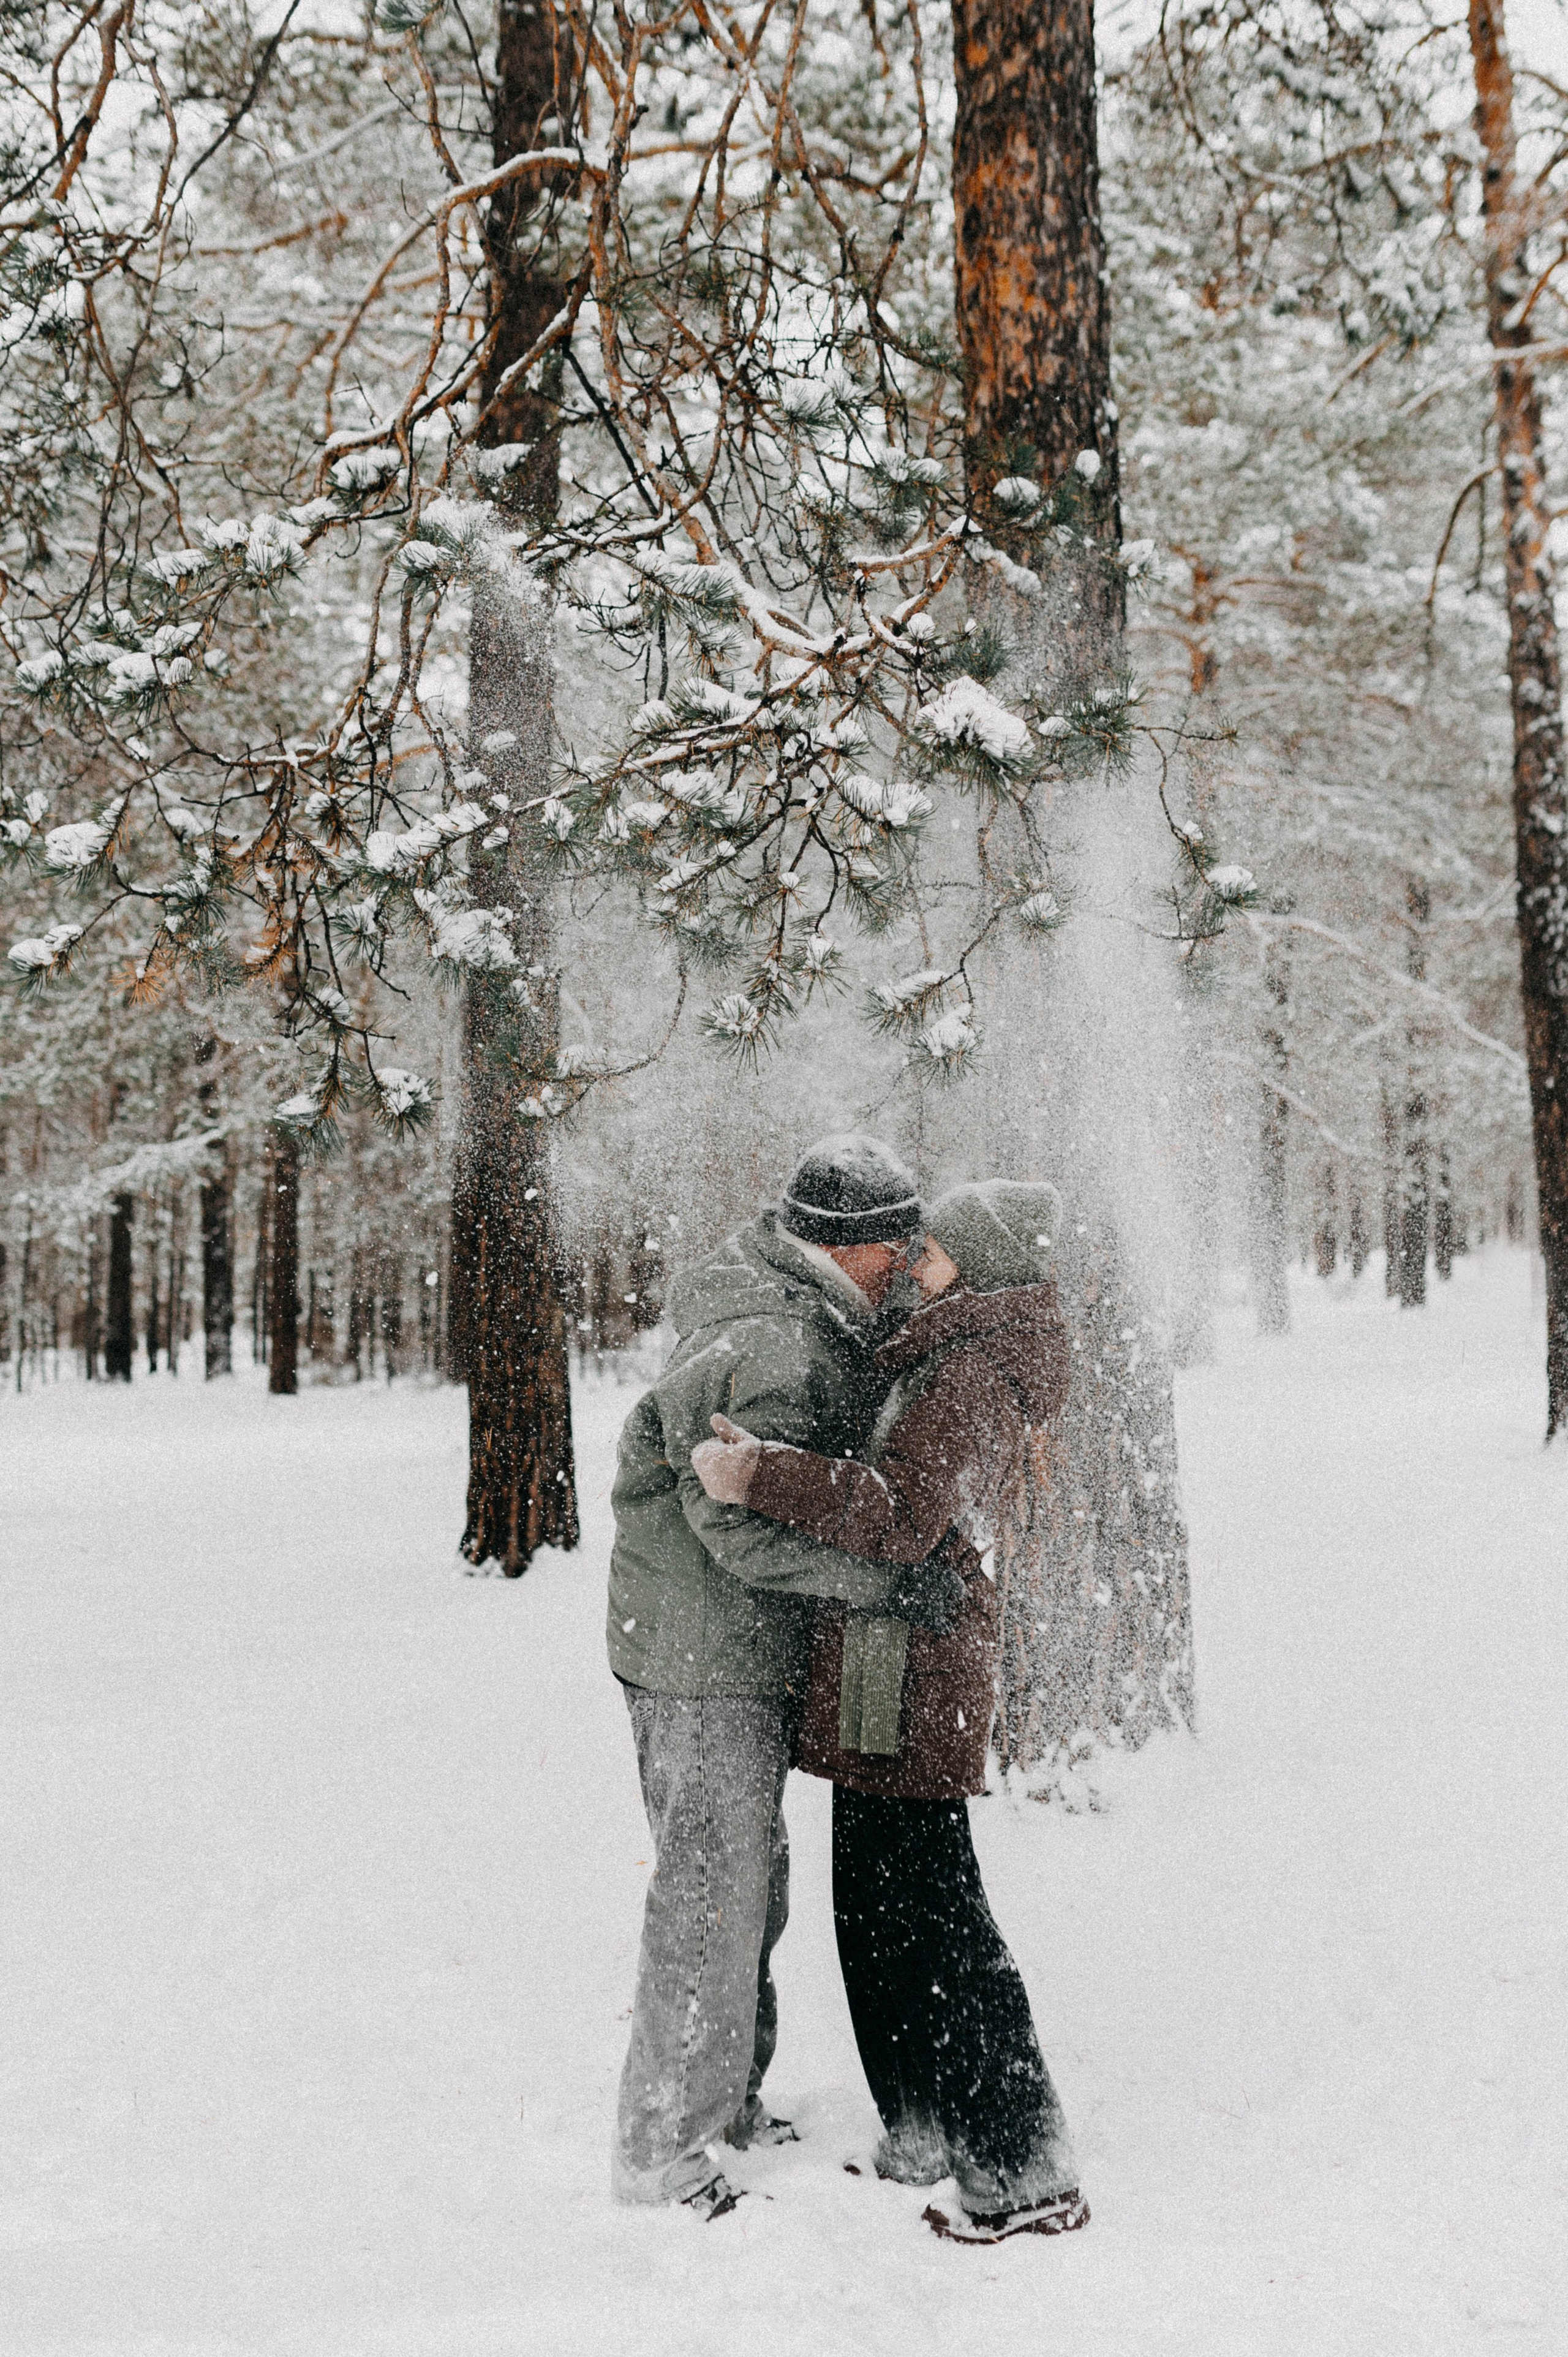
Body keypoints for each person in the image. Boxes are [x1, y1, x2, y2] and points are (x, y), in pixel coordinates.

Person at [692, 1179, 1088, 2243]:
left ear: (983, 1264)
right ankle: (921, 2131)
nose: (916, 1260)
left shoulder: (967, 1370)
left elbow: (904, 1515)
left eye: (938, 1251)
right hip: (892, 1674)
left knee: (940, 1922)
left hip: (920, 1677)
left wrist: (762, 1476)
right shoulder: (938, 1351)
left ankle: (1024, 2170)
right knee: (877, 1917)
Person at [606, 1134, 968, 2219]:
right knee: (712, 1895)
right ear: (848, 1247)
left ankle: (724, 2106)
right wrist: (884, 1581)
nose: (906, 1262)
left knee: (745, 1885)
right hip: (702, 1654)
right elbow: (734, 1522)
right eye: (895, 1245)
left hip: (723, 1645)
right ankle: (664, 2154)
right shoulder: (770, 1337)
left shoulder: (798, 1310)